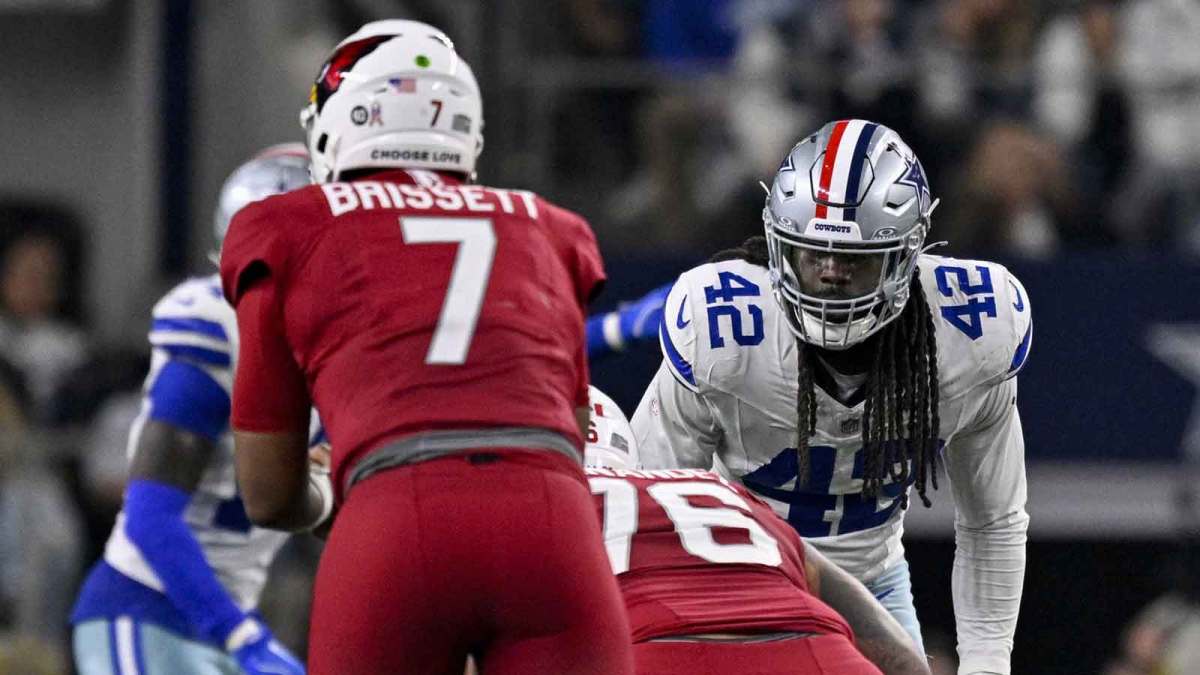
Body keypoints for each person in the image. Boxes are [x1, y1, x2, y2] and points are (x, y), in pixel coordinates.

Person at [218, 20, 632, 675]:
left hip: (395, 520)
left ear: (341, 120)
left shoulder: (285, 225)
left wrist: (330, 492)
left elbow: (267, 493)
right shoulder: (552, 227)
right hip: (553, 529)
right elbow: (569, 438)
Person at [632, 119, 1031, 675]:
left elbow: (993, 522)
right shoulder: (724, 333)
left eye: (856, 258)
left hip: (873, 588)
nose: (830, 275)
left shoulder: (971, 335)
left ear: (906, 256)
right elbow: (651, 511)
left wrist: (986, 665)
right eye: (812, 254)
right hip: (736, 586)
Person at [69, 145, 313, 675]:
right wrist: (242, 636)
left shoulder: (333, 344)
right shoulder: (218, 324)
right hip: (147, 613)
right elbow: (151, 517)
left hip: (225, 617)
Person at [584, 386, 930, 674]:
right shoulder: (727, 495)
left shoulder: (556, 510)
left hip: (667, 652)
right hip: (821, 652)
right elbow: (870, 624)